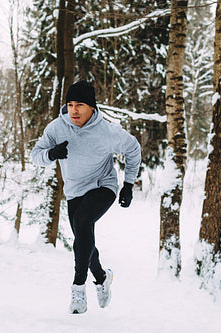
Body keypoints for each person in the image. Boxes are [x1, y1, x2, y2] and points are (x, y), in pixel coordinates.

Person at [31, 80, 141, 314]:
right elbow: (35, 155)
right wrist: (51, 154)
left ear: (92, 107)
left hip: (103, 185)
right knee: (84, 237)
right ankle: (102, 278)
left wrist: (128, 184)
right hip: (74, 191)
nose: (74, 110)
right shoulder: (56, 128)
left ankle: (78, 289)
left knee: (82, 223)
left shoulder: (107, 131)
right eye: (70, 104)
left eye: (80, 104)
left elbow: (133, 149)